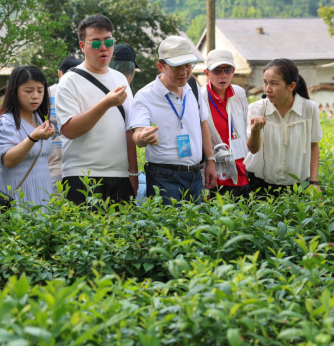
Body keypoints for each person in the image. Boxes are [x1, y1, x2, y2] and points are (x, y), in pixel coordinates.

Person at [56, 14, 138, 205]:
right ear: (82, 45)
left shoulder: (119, 79)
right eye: (95, 42)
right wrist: (106, 103)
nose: (103, 47)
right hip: (82, 176)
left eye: (108, 41)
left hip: (120, 176)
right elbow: (69, 130)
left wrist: (132, 173)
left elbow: (129, 130)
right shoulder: (69, 81)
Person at [130, 35, 217, 205]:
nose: (183, 72)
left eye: (187, 66)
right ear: (160, 66)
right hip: (164, 177)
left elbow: (202, 123)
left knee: (195, 229)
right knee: (169, 229)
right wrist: (142, 137)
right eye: (176, 67)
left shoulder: (193, 87)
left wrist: (210, 161)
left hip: (195, 174)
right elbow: (138, 135)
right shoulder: (145, 96)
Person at [245, 58, 323, 197]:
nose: (267, 89)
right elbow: (253, 148)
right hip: (259, 186)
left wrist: (314, 182)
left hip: (298, 187)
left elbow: (313, 145)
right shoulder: (256, 109)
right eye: (265, 82)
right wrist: (255, 130)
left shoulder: (309, 108)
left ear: (291, 86)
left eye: (274, 83)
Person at [0, 65, 55, 208]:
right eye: (28, 91)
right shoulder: (6, 121)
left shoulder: (40, 119)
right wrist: (33, 138)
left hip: (43, 190)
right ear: (15, 92)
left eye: (40, 90)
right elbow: (8, 161)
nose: (35, 96)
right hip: (16, 192)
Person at [201, 49, 250, 198]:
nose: (223, 75)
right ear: (207, 73)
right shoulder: (200, 97)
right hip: (217, 175)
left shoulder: (239, 93)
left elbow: (246, 129)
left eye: (227, 70)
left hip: (244, 172)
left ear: (233, 71)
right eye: (217, 70)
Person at [108, 43, 147, 203]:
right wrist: (133, 174)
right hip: (118, 169)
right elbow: (129, 135)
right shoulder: (125, 92)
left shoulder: (99, 86)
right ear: (128, 70)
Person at [48, 57, 83, 194]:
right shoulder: (83, 95)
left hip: (50, 169)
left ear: (59, 73)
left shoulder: (43, 94)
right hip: (78, 169)